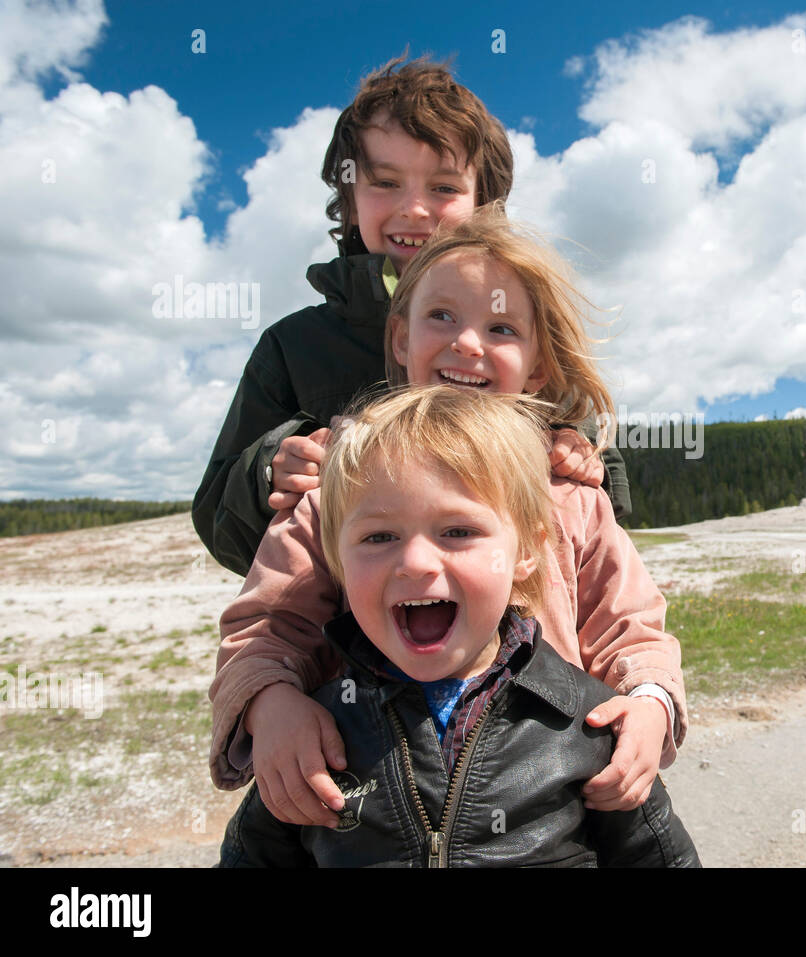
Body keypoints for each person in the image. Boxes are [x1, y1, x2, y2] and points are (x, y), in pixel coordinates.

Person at [211, 207, 687, 831]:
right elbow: (269, 625)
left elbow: (631, 628)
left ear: (538, 366)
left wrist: (649, 702)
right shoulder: (341, 487)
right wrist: (269, 705)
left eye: (501, 327)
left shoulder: (571, 496)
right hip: (362, 814)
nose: (468, 341)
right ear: (401, 339)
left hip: (552, 811)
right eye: (442, 316)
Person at [219, 386, 698, 867]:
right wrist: (268, 703)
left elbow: (656, 856)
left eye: (458, 531)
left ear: (528, 552)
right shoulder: (317, 735)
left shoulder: (585, 722)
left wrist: (650, 696)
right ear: (336, 560)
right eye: (379, 536)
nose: (415, 561)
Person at [192, 55, 629, 579]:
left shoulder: (519, 328)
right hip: (339, 647)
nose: (415, 209)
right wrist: (269, 470)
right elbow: (220, 521)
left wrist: (578, 456)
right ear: (349, 199)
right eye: (385, 182)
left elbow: (604, 505)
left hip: (517, 647)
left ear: (484, 202)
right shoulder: (294, 346)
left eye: (444, 188)